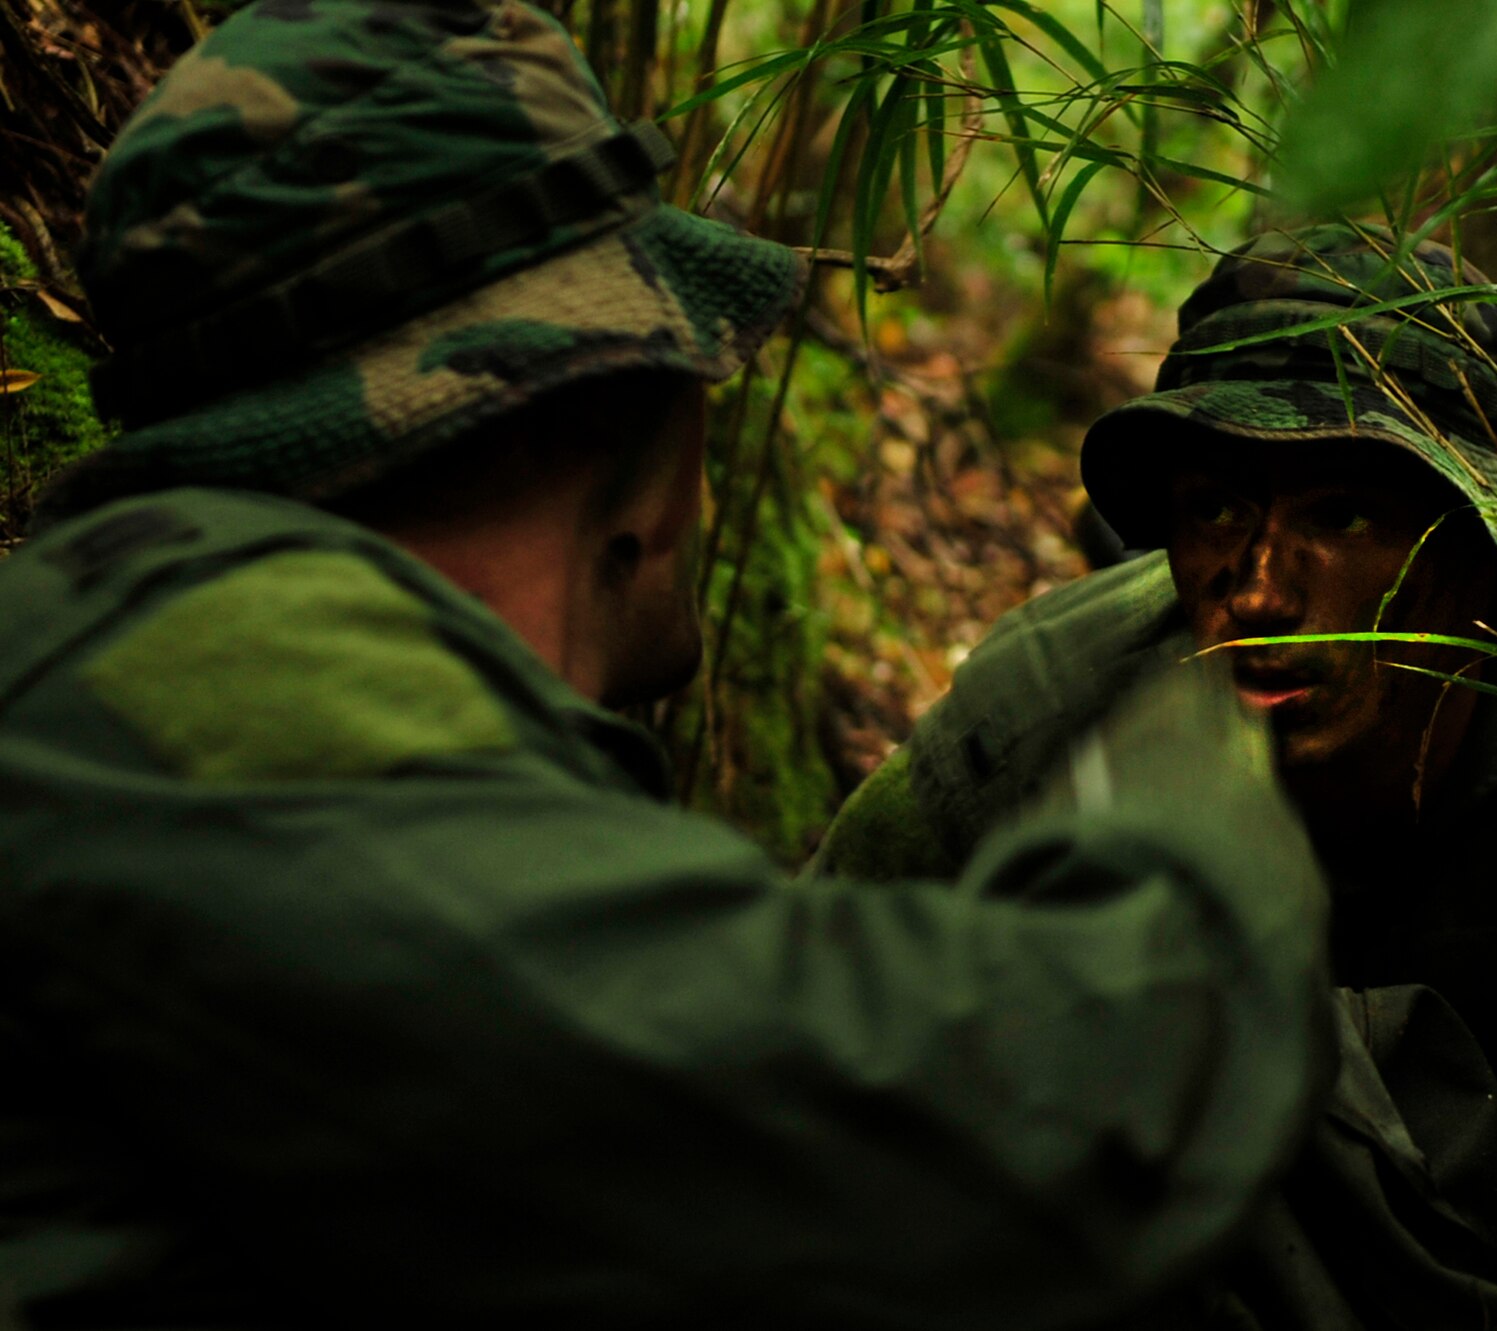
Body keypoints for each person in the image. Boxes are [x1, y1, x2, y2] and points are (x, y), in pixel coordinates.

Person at [0, 3, 1336, 1325]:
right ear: (612, 410)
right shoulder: (225, 692)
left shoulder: (144, 655)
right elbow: (976, 1139)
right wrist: (1187, 754)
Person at [819, 226, 1497, 1330]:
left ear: (1484, 536)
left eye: (1339, 514)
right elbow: (792, 1067)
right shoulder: (1049, 707)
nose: (1253, 591)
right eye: (1213, 509)